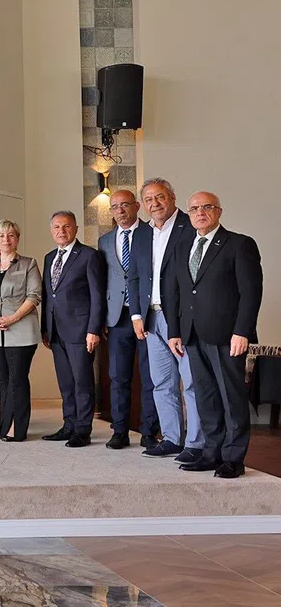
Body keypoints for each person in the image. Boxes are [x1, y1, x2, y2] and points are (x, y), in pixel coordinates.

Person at [164, 192, 263, 479]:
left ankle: (233, 458)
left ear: (219, 211)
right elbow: (177, 292)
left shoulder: (239, 244)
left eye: (206, 207)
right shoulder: (183, 247)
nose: (200, 212)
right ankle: (211, 453)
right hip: (192, 334)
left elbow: (251, 292)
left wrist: (242, 331)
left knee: (231, 398)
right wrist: (175, 331)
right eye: (194, 208)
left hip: (227, 335)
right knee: (205, 397)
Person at [126, 178, 202, 462]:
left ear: (172, 197)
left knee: (191, 383)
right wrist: (136, 314)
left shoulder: (189, 228)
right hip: (150, 318)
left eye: (160, 197)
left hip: (180, 318)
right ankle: (171, 438)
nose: (154, 204)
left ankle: (196, 442)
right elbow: (133, 276)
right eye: (148, 199)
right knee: (161, 383)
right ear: (142, 205)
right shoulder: (143, 233)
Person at [98, 190, 158, 450]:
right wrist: (100, 318)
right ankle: (119, 431)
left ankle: (148, 432)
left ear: (136, 206)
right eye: (115, 207)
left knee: (150, 376)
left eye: (125, 205)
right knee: (118, 377)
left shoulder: (152, 234)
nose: (120, 210)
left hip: (148, 316)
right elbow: (102, 282)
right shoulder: (104, 241)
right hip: (117, 317)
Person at [41, 210, 105, 447]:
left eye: (66, 226)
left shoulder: (89, 256)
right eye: (56, 227)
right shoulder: (49, 257)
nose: (61, 231)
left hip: (81, 331)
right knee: (66, 383)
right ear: (51, 231)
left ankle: (82, 430)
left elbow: (97, 296)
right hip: (56, 331)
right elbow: (49, 296)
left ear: (76, 229)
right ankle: (68, 425)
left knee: (82, 383)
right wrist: (44, 329)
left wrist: (93, 330)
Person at [0, 220, 41, 442]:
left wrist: (12, 318)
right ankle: (4, 425)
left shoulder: (29, 264)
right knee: (3, 380)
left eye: (11, 235)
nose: (6, 239)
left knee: (17, 379)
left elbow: (34, 296)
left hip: (21, 328)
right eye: (1, 236)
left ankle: (16, 429)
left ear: (17, 239)